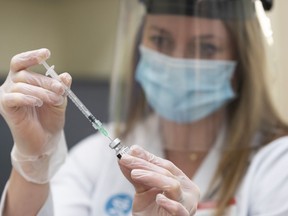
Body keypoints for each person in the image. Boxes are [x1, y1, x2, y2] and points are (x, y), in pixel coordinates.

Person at [1, 0, 288, 215]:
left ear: (241, 63)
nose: (178, 61)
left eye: (206, 48)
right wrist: (34, 162)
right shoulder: (95, 159)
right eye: (161, 40)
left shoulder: (277, 164)